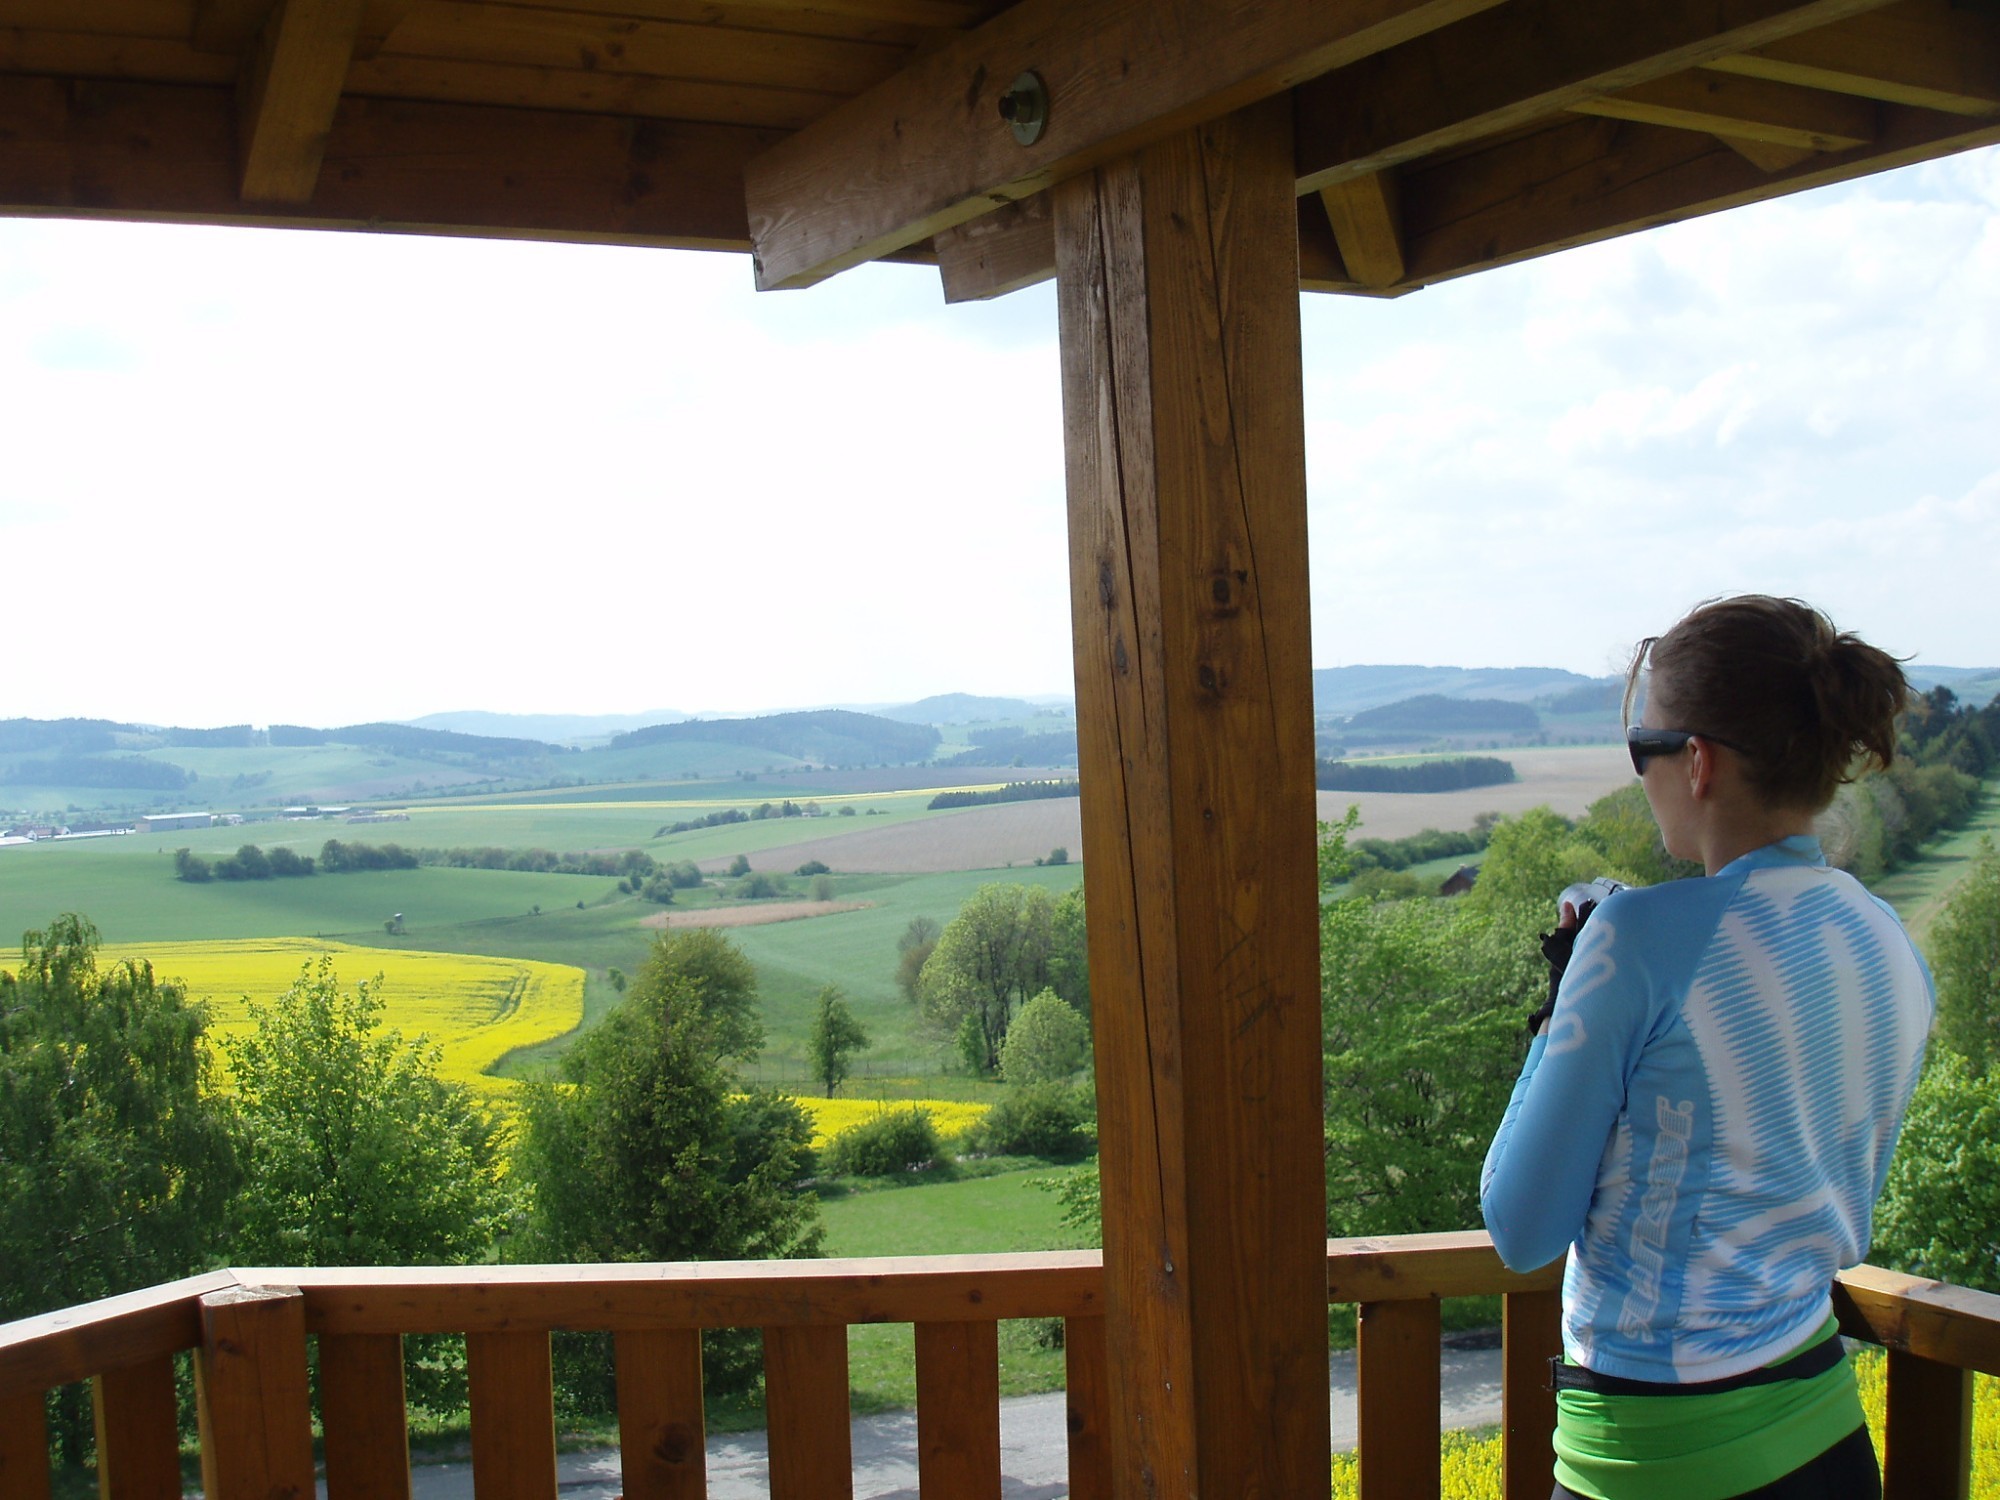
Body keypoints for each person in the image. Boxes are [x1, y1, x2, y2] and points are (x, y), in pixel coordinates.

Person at [1481, 595, 1934, 1500]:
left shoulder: (1636, 938)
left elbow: (1520, 1228)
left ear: (1697, 762)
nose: (1639, 775)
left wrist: (1565, 999)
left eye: (1640, 748)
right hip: (1826, 1442)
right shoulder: (1887, 938)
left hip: (1654, 1464)